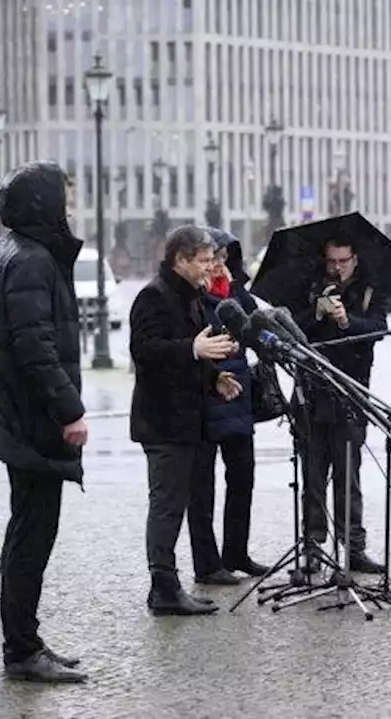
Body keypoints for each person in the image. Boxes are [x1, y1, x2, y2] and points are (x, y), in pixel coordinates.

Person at [0, 161, 89, 683]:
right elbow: (35, 348)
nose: (67, 208)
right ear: (42, 204)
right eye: (61, 198)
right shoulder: (31, 259)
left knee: (28, 530)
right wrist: (70, 411)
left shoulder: (12, 250)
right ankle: (21, 651)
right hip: (35, 421)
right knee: (31, 535)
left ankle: (26, 642)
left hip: (21, 417)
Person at [131, 226, 243, 612]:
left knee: (180, 502)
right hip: (163, 422)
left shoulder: (193, 296)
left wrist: (216, 378)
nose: (210, 267)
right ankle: (163, 588)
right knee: (165, 506)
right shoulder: (153, 296)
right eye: (204, 260)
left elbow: (195, 354)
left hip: (189, 419)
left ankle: (170, 585)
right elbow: (145, 353)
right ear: (180, 259)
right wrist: (192, 349)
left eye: (212, 259)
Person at [291, 236, 387, 574]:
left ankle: (354, 548)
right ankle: (313, 548)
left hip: (350, 393)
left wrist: (347, 321)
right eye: (331, 261)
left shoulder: (370, 291)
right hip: (311, 393)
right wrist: (316, 313)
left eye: (343, 261)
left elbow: (377, 330)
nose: (336, 267)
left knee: (349, 478)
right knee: (313, 478)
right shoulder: (308, 288)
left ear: (355, 260)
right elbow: (290, 332)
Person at [198, 228, 267, 577]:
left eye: (224, 258)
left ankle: (236, 552)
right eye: (213, 258)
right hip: (206, 396)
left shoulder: (236, 291)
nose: (218, 265)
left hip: (238, 396)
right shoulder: (193, 294)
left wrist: (237, 294)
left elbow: (256, 328)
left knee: (243, 478)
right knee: (204, 488)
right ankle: (208, 564)